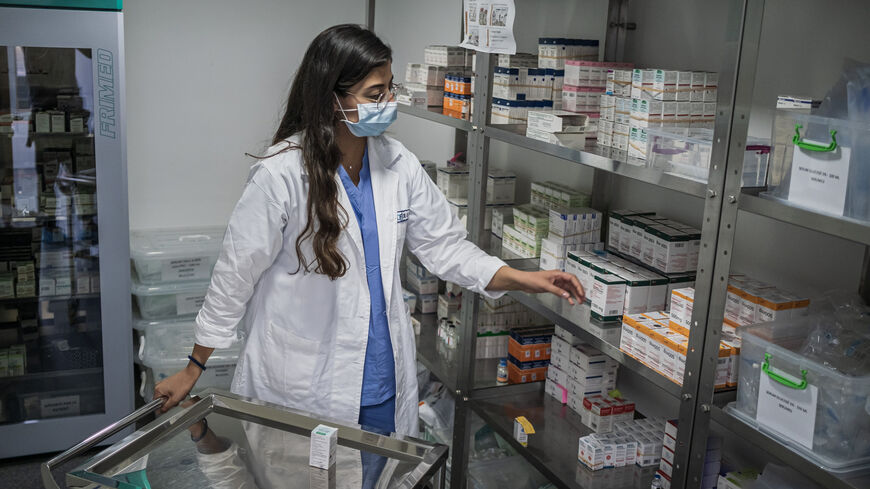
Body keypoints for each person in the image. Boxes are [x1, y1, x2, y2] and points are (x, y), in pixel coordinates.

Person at [154, 22, 583, 478]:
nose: (388, 103)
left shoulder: (397, 165)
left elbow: (445, 247)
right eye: (375, 93)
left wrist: (522, 277)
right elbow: (233, 278)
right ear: (333, 98)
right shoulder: (281, 173)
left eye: (389, 89)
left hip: (381, 386)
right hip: (303, 389)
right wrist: (193, 367)